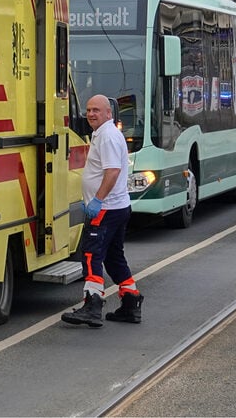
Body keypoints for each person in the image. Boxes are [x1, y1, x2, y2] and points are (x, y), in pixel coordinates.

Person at [62, 94, 144, 328]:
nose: (90, 114)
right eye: (88, 110)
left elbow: (112, 172)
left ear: (109, 113)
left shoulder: (107, 136)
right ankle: (131, 302)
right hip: (117, 208)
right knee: (114, 257)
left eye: (96, 110)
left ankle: (92, 305)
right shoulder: (106, 134)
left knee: (91, 256)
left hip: (106, 209)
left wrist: (96, 201)